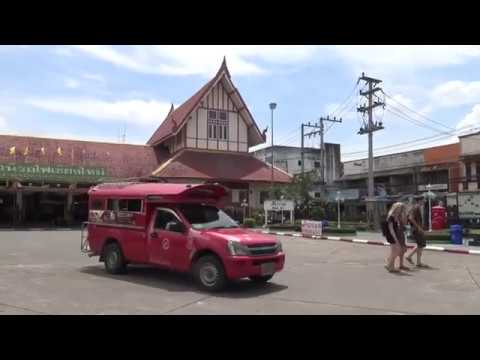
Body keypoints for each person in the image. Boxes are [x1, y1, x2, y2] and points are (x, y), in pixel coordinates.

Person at [383, 202, 409, 273]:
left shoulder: (396, 216)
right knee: (397, 250)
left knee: (394, 251)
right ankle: (389, 265)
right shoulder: (391, 216)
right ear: (396, 208)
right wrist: (395, 239)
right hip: (391, 235)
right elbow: (391, 229)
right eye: (399, 208)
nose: (400, 210)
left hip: (394, 235)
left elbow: (403, 223)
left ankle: (391, 266)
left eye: (401, 208)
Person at [406, 197, 429, 268]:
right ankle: (418, 262)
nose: (424, 201)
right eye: (423, 200)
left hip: (417, 229)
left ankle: (410, 257)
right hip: (417, 229)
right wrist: (418, 227)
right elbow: (411, 218)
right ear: (419, 201)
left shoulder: (417, 207)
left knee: (420, 244)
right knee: (421, 244)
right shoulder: (416, 208)